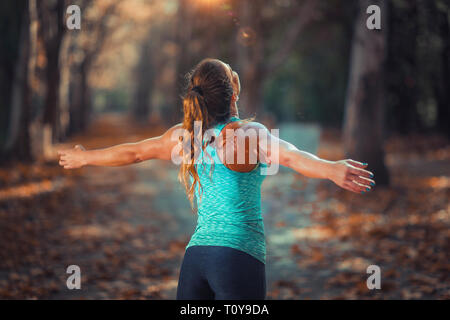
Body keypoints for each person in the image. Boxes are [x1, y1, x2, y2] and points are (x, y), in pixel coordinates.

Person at [58, 58, 375, 300]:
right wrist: (331, 168)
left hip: (196, 261)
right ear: (233, 90)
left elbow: (135, 153)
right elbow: (290, 156)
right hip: (237, 259)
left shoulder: (187, 137)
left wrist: (85, 157)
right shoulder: (247, 134)